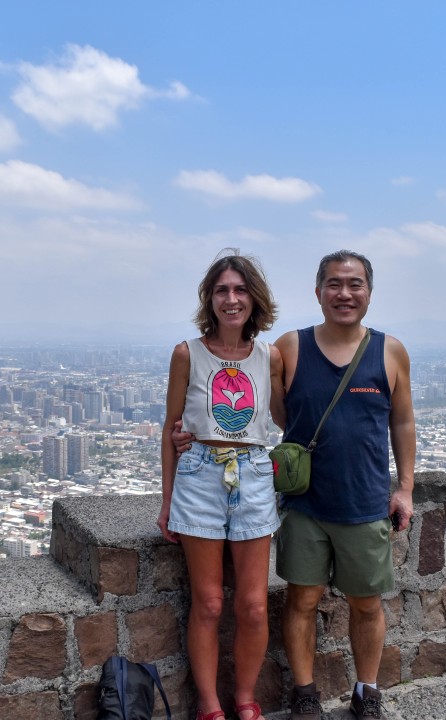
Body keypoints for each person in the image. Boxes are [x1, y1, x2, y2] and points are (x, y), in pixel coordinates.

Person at [275, 250, 415, 720]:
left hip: (365, 501)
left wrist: (406, 488)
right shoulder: (290, 347)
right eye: (334, 284)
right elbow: (278, 413)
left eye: (355, 284)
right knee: (302, 599)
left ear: (369, 293)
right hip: (305, 504)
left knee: (367, 603)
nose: (344, 293)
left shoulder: (389, 350)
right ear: (318, 292)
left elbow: (403, 423)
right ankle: (304, 692)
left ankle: (366, 691)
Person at [158, 250, 285, 720]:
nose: (231, 299)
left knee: (253, 606)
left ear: (254, 298)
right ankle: (210, 706)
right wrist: (167, 500)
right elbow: (170, 429)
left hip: (251, 475)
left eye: (239, 290)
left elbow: (284, 416)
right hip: (199, 476)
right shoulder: (186, 354)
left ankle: (246, 699)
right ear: (209, 299)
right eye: (221, 291)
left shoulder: (269, 357)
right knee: (209, 603)